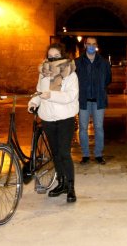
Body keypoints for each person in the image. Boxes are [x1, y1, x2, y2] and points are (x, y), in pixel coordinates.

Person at [28, 43, 79, 203]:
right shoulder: (43, 73)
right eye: (50, 56)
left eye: (56, 56)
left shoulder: (70, 74)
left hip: (65, 118)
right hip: (48, 118)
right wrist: (34, 101)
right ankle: (61, 183)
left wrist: (50, 95)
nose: (52, 59)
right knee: (55, 154)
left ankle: (71, 187)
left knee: (64, 153)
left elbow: (70, 96)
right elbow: (38, 90)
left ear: (62, 56)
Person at [75, 36, 112, 165]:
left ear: (96, 46)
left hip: (99, 100)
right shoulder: (77, 62)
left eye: (93, 44)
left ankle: (98, 154)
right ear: (85, 45)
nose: (91, 46)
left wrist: (99, 88)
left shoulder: (103, 62)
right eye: (88, 44)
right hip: (83, 100)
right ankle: (85, 155)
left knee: (99, 127)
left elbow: (108, 79)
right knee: (83, 128)